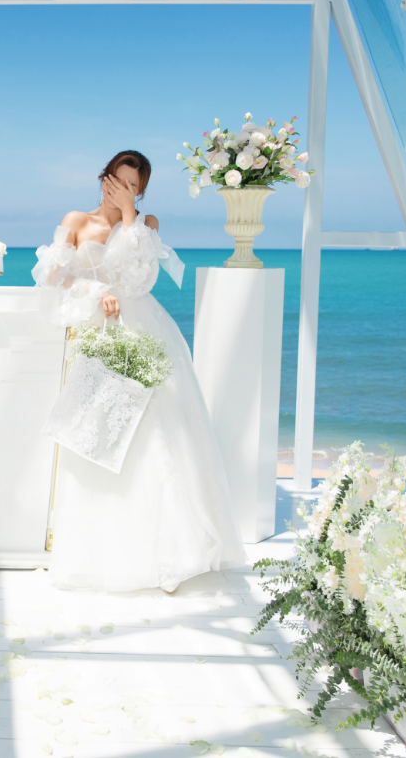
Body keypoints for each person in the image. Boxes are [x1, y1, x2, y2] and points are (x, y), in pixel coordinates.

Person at [33, 150, 245, 592]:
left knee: (155, 436)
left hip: (145, 330)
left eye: (134, 187)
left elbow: (138, 281)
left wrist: (130, 217)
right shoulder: (76, 220)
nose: (123, 190)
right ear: (104, 178)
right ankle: (107, 555)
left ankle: (172, 557)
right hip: (99, 335)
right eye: (118, 181)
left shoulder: (146, 225)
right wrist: (96, 290)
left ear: (141, 192)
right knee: (100, 437)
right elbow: (51, 276)